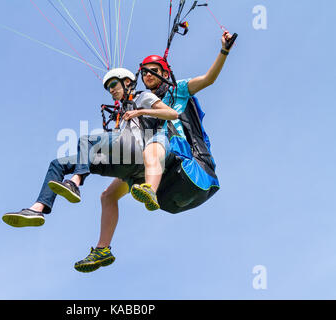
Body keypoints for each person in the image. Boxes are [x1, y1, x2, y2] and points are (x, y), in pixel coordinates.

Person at [74, 31, 236, 273]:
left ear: (163, 72)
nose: (148, 75)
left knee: (155, 146)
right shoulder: (144, 99)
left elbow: (208, 79)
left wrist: (223, 51)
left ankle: (149, 188)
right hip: (152, 159)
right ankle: (103, 249)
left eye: (153, 70)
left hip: (177, 150)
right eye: (145, 71)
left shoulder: (178, 89)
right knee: (107, 196)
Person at [1, 68, 176, 231]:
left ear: (128, 82)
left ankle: (75, 182)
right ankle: (37, 208)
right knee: (58, 164)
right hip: (122, 162)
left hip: (137, 151)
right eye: (108, 88)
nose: (111, 90)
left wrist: (139, 112)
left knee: (87, 140)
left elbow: (172, 114)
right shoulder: (121, 113)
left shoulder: (143, 97)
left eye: (114, 84)